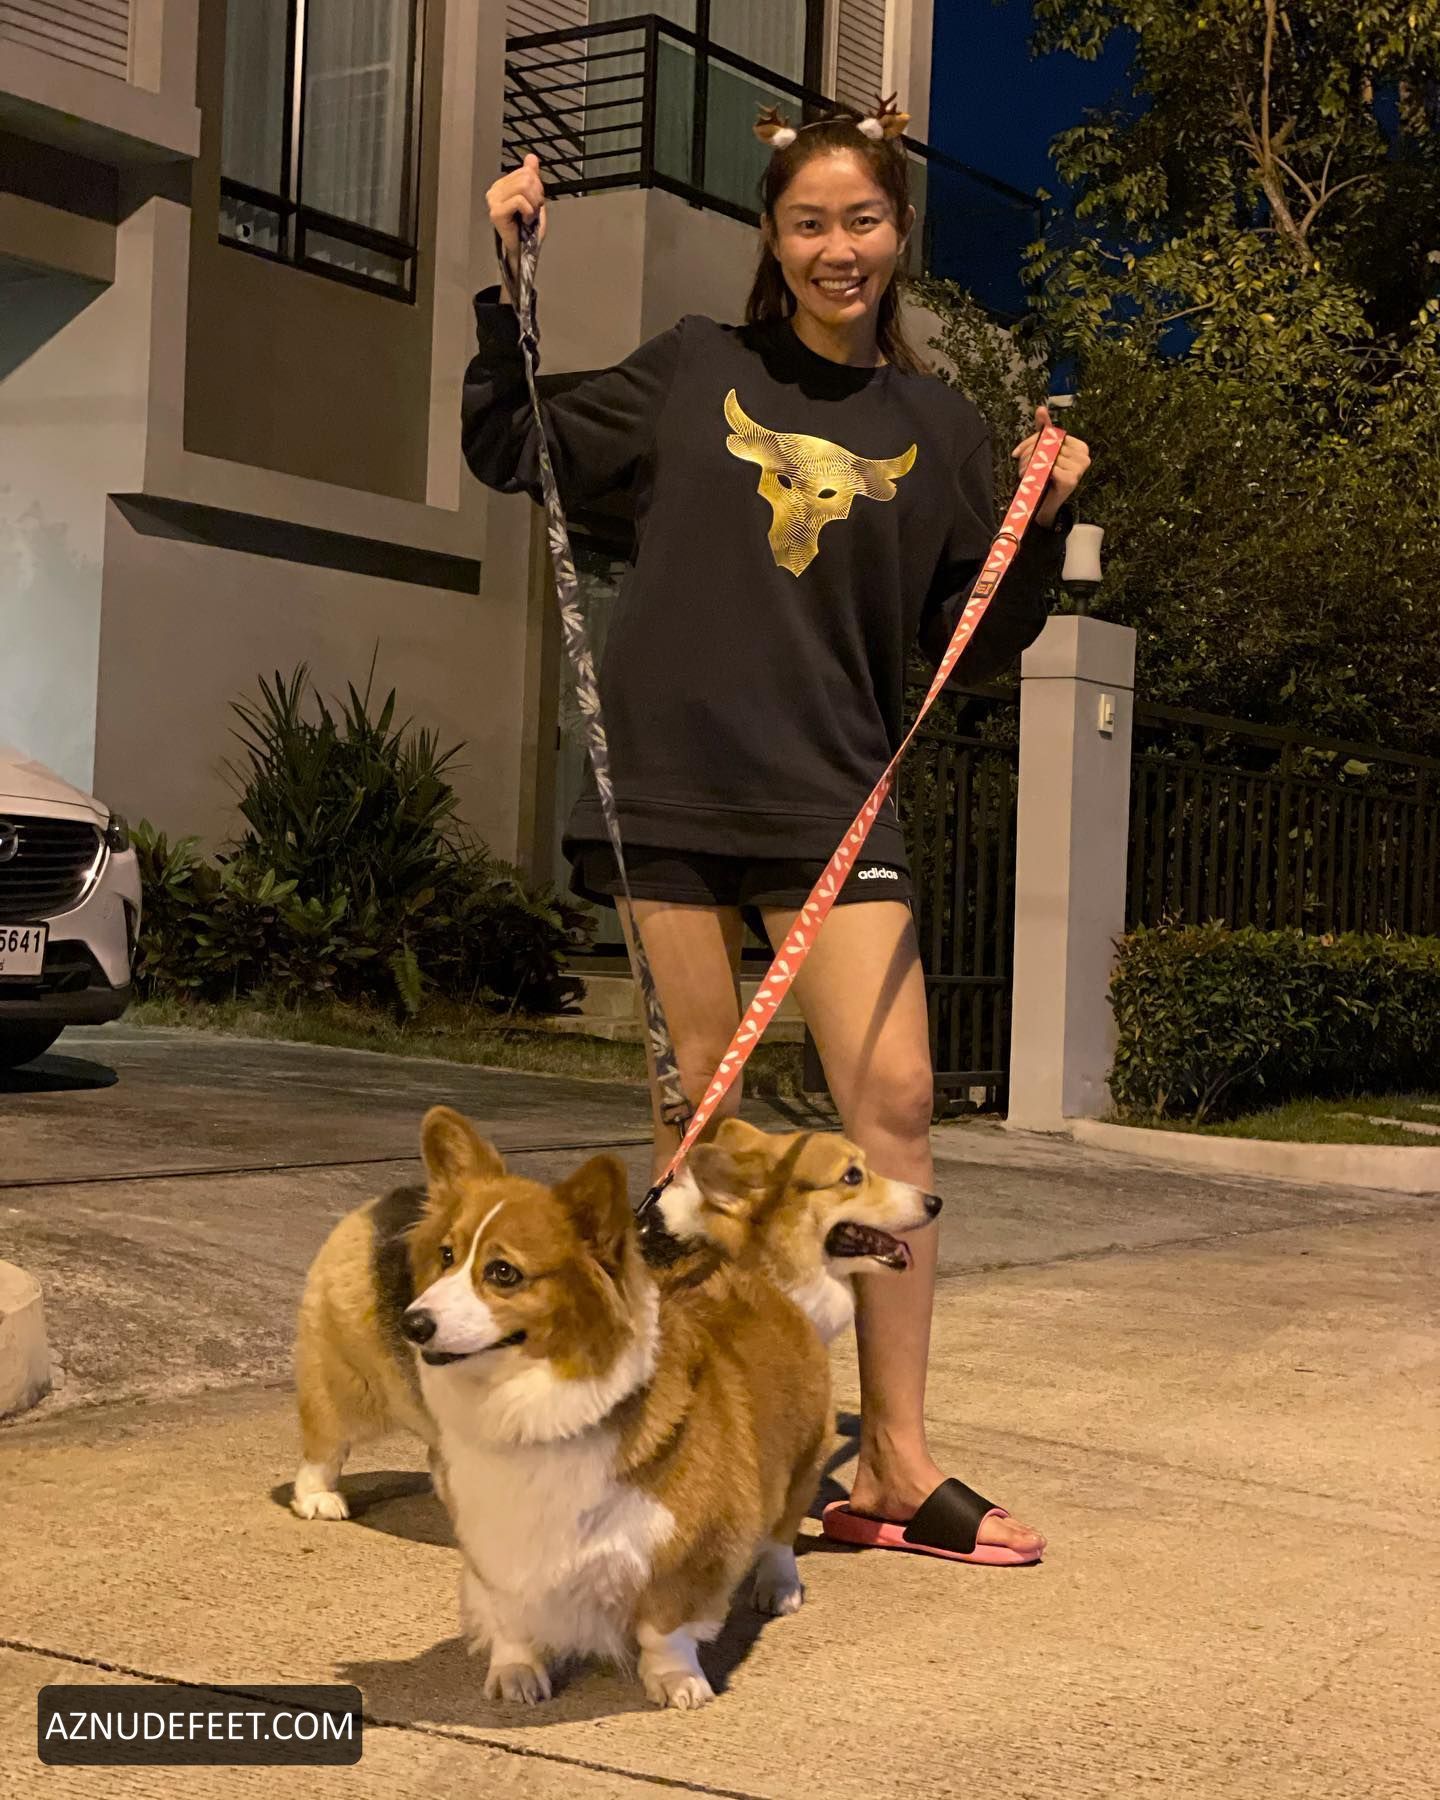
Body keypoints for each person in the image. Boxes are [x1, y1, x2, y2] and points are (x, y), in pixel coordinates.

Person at [462, 101, 1091, 1566]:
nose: (836, 247)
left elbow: (980, 636)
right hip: (672, 790)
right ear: (774, 236)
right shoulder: (699, 367)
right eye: (809, 222)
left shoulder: (939, 427)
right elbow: (518, 446)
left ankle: (896, 1462)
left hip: (834, 795)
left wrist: (1046, 517)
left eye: (861, 219)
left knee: (899, 1106)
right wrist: (510, 282)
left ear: (898, 234)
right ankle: (703, 1436)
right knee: (705, 1125)